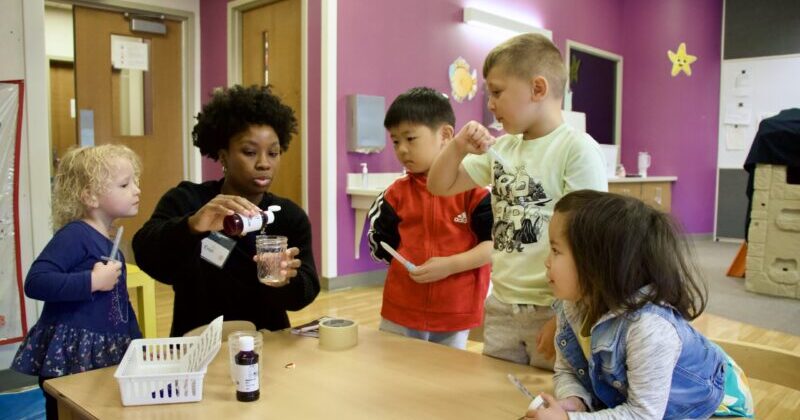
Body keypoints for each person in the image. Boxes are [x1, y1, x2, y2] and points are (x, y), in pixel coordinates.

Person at [428, 33, 607, 367]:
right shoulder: (503, 148)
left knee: (550, 398)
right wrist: (457, 147)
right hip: (503, 305)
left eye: (497, 92)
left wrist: (567, 314)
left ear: (537, 89)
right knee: (499, 393)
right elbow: (439, 185)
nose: (491, 104)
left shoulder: (576, 149)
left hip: (554, 307)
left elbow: (591, 243)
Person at [524, 190, 754, 419]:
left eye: (555, 251)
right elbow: (567, 371)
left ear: (598, 264)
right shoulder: (572, 306)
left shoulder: (649, 328)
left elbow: (644, 415)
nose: (546, 261)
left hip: (713, 410)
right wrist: (575, 401)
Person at [132, 85, 320, 337]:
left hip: (267, 344)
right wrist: (192, 226)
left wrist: (286, 281)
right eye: (249, 152)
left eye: (273, 153)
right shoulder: (188, 200)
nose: (264, 163)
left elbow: (304, 295)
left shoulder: (287, 216)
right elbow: (147, 255)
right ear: (223, 156)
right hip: (197, 346)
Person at [12, 144, 143, 420]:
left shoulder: (113, 246)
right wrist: (92, 281)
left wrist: (137, 344)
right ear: (90, 196)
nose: (136, 190)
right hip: (71, 358)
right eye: (124, 184)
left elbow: (120, 304)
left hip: (103, 355)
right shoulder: (74, 235)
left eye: (135, 182)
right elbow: (36, 281)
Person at [367, 87, 492, 349]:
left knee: (443, 382)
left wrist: (450, 265)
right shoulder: (394, 195)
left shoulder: (475, 191)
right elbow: (381, 245)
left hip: (456, 310)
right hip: (401, 310)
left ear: (446, 135)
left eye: (410, 139)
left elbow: (495, 246)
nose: (401, 150)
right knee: (394, 375)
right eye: (395, 141)